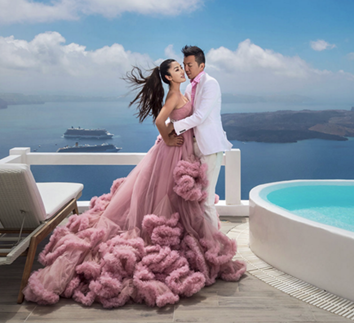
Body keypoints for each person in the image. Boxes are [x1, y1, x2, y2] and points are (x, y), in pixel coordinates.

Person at [22, 58, 245, 308]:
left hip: (182, 151)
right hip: (172, 153)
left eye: (181, 68)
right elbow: (160, 121)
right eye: (176, 69)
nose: (181, 71)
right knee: (166, 197)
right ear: (168, 77)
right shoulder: (172, 97)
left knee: (175, 198)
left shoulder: (183, 92)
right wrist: (168, 140)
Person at [168, 45, 232, 229]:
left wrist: (174, 127)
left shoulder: (211, 83)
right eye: (184, 65)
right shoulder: (189, 87)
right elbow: (186, 113)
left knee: (207, 199)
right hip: (193, 147)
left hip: (210, 148)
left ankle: (214, 245)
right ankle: (202, 238)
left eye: (189, 65)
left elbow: (200, 116)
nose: (186, 69)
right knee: (194, 197)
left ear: (201, 66)